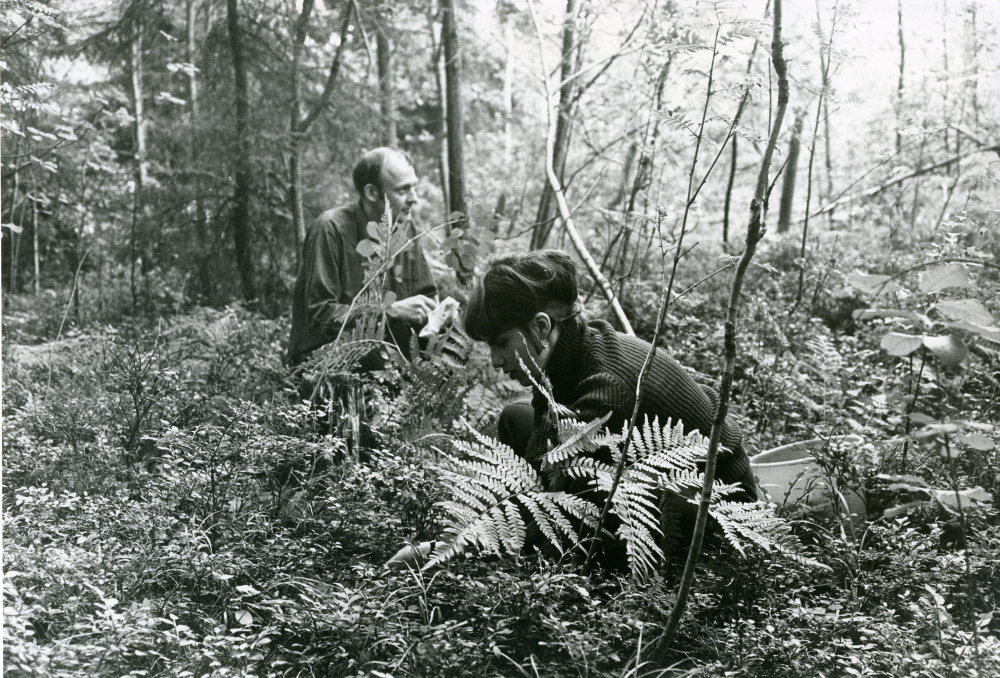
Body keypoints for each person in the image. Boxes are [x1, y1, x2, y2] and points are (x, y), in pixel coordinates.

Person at [461, 250, 758, 561]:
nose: (495, 360)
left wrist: (474, 543)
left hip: (718, 506)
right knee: (515, 418)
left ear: (541, 327)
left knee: (591, 521)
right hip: (647, 472)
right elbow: (548, 460)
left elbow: (567, 497)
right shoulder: (562, 356)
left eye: (501, 343)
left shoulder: (607, 388)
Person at [287, 147, 439, 368]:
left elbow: (426, 294)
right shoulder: (330, 229)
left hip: (386, 353)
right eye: (403, 190)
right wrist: (391, 311)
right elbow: (321, 315)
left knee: (449, 349)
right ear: (371, 193)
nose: (414, 198)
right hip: (324, 357)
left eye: (413, 187)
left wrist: (439, 316)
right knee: (375, 357)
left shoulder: (404, 227)